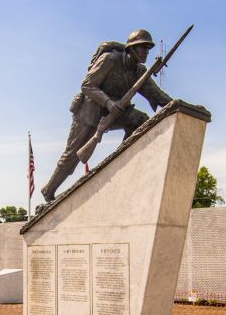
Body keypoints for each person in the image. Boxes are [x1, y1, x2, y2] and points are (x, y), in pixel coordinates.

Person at [40, 28, 174, 202]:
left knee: (140, 121)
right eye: (142, 47)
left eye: (148, 49)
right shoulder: (110, 60)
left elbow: (157, 95)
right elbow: (87, 85)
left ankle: (119, 159)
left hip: (116, 112)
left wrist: (178, 106)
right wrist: (109, 103)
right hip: (89, 112)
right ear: (131, 49)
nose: (146, 52)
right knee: (72, 156)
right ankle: (49, 190)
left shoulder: (139, 71)